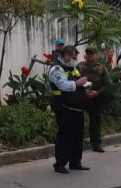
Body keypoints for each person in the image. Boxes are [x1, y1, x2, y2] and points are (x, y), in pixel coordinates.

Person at [49, 45, 94, 174]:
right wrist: (78, 83)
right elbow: (63, 85)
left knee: (77, 135)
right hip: (63, 107)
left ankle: (75, 162)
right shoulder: (56, 69)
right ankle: (60, 164)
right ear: (66, 56)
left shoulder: (72, 68)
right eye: (73, 57)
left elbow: (80, 81)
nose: (75, 59)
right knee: (65, 136)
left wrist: (87, 86)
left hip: (76, 107)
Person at [77, 46, 111, 152]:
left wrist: (97, 93)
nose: (90, 56)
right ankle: (78, 144)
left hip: (96, 98)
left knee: (95, 121)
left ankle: (96, 144)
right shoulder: (80, 66)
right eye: (88, 54)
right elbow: (74, 81)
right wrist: (85, 92)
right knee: (78, 121)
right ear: (85, 55)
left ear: (96, 55)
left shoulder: (101, 68)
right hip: (82, 97)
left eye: (92, 54)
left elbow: (107, 85)